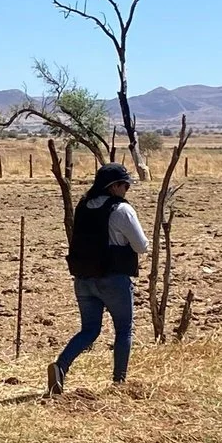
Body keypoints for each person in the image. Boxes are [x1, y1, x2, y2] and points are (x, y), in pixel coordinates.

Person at [48, 160, 151, 395]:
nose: (127, 190)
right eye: (125, 185)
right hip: (113, 279)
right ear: (114, 186)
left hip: (83, 279)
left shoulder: (83, 205)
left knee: (89, 330)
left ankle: (60, 366)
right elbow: (141, 246)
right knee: (124, 330)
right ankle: (119, 383)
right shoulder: (122, 209)